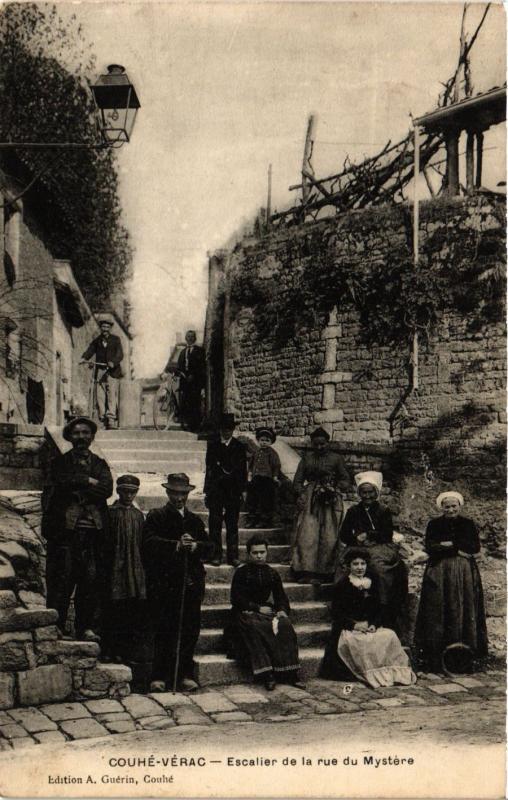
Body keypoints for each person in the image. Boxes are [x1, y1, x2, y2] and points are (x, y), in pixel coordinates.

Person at [41, 416, 113, 641]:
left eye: (86, 433)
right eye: (77, 433)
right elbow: (61, 483)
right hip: (66, 532)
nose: (81, 437)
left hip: (93, 532)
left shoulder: (100, 464)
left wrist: (79, 486)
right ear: (70, 437)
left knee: (90, 580)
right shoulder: (60, 463)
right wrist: (87, 481)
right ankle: (57, 625)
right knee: (62, 578)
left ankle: (85, 627)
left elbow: (106, 489)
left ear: (92, 437)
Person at [141, 473, 213, 692]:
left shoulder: (194, 521)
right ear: (167, 492)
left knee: (190, 630)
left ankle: (184, 675)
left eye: (183, 494)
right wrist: (175, 545)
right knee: (164, 629)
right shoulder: (156, 516)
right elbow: (148, 543)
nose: (179, 498)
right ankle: (159, 676)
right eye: (174, 493)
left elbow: (211, 548)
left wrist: (195, 547)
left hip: (190, 584)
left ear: (188, 494)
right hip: (164, 584)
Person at [320, 548, 416, 688]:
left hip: (368, 626)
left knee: (389, 635)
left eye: (363, 564)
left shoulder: (372, 582)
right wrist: (355, 625)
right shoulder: (343, 585)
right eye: (355, 564)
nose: (359, 567)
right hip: (350, 627)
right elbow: (337, 614)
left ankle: (391, 672)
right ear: (349, 566)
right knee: (356, 641)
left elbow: (378, 608)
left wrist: (374, 624)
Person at [415, 491, 488, 673]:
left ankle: (463, 655)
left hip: (464, 572)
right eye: (447, 506)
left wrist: (449, 545)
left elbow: (473, 547)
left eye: (454, 506)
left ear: (459, 506)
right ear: (442, 508)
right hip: (439, 570)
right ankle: (436, 654)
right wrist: (457, 548)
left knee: (462, 606)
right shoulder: (434, 524)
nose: (450, 509)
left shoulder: (468, 524)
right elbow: (431, 547)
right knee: (438, 606)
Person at [225, 535, 305, 691]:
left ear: (267, 552)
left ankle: (291, 672)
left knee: (285, 625)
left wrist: (282, 610)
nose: (259, 556)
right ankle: (267, 674)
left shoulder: (272, 573)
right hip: (245, 610)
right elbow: (236, 598)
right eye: (255, 553)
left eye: (262, 552)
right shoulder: (241, 572)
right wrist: (256, 608)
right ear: (249, 554)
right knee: (253, 627)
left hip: (266, 610)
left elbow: (280, 596)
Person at [338, 471, 408, 632]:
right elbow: (344, 534)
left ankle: (382, 607)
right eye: (364, 492)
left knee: (378, 568)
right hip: (359, 546)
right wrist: (356, 538)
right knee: (345, 567)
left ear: (376, 493)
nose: (367, 496)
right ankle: (349, 610)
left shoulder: (383, 510)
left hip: (380, 546)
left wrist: (370, 534)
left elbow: (387, 534)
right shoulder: (353, 511)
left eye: (370, 492)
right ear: (359, 494)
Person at [291, 426, 350, 582]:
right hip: (310, 500)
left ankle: (325, 573)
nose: (319, 447)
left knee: (328, 535)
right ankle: (306, 571)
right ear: (312, 444)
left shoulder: (336, 459)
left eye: (322, 444)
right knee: (307, 535)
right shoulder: (306, 458)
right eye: (316, 444)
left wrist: (335, 489)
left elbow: (345, 479)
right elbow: (297, 481)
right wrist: (302, 493)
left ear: (327, 442)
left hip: (330, 501)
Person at [103, 475, 147, 674]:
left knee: (130, 610)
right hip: (114, 568)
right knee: (112, 609)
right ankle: (109, 649)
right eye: (125, 491)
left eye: (132, 492)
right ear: (118, 492)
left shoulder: (138, 516)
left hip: (134, 569)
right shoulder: (110, 513)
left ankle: (124, 651)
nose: (129, 495)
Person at [204, 413, 248, 566]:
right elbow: (209, 469)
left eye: (229, 429)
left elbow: (243, 471)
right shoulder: (213, 445)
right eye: (224, 429)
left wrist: (243, 490)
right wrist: (207, 491)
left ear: (233, 430)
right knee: (214, 523)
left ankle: (233, 556)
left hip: (233, 491)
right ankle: (216, 555)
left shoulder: (239, 447)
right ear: (220, 429)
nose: (226, 432)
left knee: (232, 524)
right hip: (216, 490)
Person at [80, 318, 124, 429]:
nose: (105, 329)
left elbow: (120, 354)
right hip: (100, 370)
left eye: (107, 327)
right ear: (101, 328)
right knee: (100, 395)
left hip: (112, 371)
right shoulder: (97, 340)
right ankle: (102, 417)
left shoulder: (116, 339)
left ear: (110, 328)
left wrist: (113, 362)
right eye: (103, 327)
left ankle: (111, 418)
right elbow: (90, 350)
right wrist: (84, 358)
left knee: (110, 394)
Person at [246, 427, 281, 528]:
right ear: (258, 441)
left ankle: (264, 520)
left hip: (267, 480)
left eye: (267, 440)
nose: (264, 442)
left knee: (265, 500)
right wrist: (250, 474)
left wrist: (275, 476)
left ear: (271, 442)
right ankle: (252, 519)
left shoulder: (272, 453)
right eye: (262, 440)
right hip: (256, 479)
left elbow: (276, 466)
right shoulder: (256, 452)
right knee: (252, 499)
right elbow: (251, 465)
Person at [171, 330, 206, 432]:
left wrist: (194, 375)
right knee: (185, 403)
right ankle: (187, 424)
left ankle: (195, 426)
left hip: (195, 383)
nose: (190, 338)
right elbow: (179, 366)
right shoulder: (182, 352)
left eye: (192, 337)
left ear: (194, 338)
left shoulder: (199, 351)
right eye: (188, 337)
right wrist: (177, 373)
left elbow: (201, 367)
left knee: (195, 403)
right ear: (186, 339)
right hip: (185, 383)